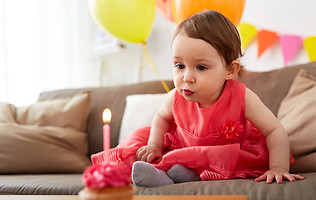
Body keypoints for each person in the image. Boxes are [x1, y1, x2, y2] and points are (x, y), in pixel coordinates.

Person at [91, 10, 305, 187]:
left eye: (201, 67)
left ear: (230, 70)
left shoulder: (242, 97)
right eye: (179, 65)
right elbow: (161, 119)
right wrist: (155, 145)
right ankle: (160, 174)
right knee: (140, 137)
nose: (187, 77)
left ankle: (184, 175)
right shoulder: (174, 97)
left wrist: (278, 167)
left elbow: (274, 130)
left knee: (216, 157)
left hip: (220, 154)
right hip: (181, 148)